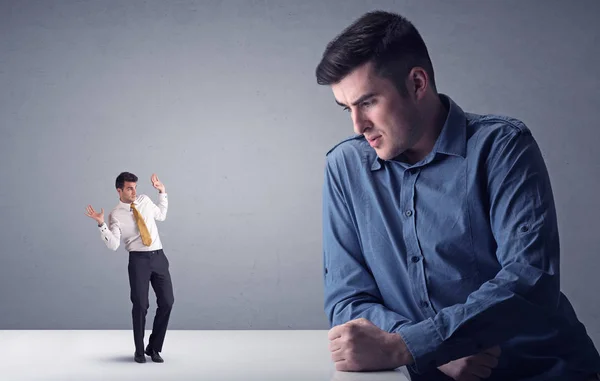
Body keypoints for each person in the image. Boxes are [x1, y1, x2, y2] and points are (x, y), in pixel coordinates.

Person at [316, 10, 600, 381]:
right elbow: (348, 299)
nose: (358, 125)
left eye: (368, 102)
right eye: (347, 108)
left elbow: (531, 280)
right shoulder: (345, 167)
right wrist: (434, 351)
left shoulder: (502, 148)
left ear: (418, 83)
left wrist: (413, 347)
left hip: (543, 370)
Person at [85, 172, 174, 364]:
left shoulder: (145, 200)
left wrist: (162, 192)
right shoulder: (115, 214)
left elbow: (162, 215)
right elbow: (114, 244)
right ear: (119, 190)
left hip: (158, 256)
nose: (134, 192)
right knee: (141, 305)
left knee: (167, 302)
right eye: (129, 188)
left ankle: (154, 348)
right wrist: (101, 224)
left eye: (135, 187)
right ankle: (139, 351)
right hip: (138, 261)